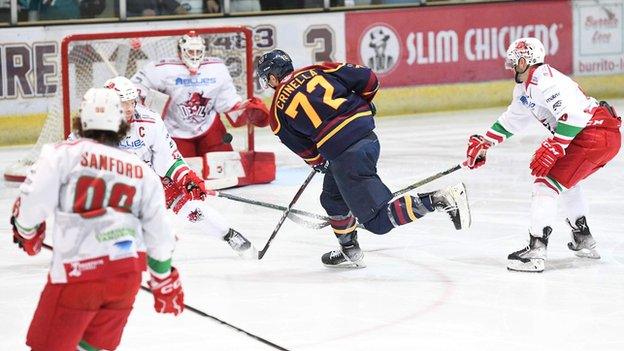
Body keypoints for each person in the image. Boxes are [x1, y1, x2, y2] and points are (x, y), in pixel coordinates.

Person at [255, 49, 471, 268]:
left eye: (267, 79)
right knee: (332, 198)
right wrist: (364, 103)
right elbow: (368, 78)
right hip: (366, 139)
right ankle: (349, 249)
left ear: (273, 77)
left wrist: (319, 161)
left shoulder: (276, 113)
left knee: (378, 222)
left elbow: (306, 150)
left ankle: (439, 199)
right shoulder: (318, 70)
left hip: (345, 154)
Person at [10, 88, 184, 351]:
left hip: (78, 275)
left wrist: (26, 231)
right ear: (121, 124)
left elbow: (31, 206)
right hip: (126, 276)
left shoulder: (60, 154)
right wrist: (163, 279)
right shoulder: (141, 170)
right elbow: (160, 234)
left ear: (81, 119)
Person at [464, 37, 621, 273]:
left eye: (514, 61)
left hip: (593, 135)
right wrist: (486, 142)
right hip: (602, 136)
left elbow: (574, 116)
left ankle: (536, 250)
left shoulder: (544, 81)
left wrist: (557, 145)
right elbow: (513, 120)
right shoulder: (526, 88)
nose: (511, 67)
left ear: (526, 60)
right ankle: (583, 238)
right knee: (565, 183)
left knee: (545, 185)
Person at [100, 76, 256, 257]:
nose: (129, 108)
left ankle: (229, 236)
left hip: (150, 177)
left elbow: (167, 156)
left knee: (191, 206)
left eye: (131, 102)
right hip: (114, 185)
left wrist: (187, 179)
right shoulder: (94, 125)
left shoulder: (150, 121)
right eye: (122, 103)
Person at [131, 31, 269, 159]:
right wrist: (143, 99)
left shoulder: (216, 69)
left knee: (225, 167)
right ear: (180, 51)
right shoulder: (162, 69)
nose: (194, 55)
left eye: (198, 51)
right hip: (174, 130)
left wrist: (245, 109)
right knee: (183, 173)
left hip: (209, 127)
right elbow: (135, 86)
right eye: (191, 51)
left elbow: (227, 102)